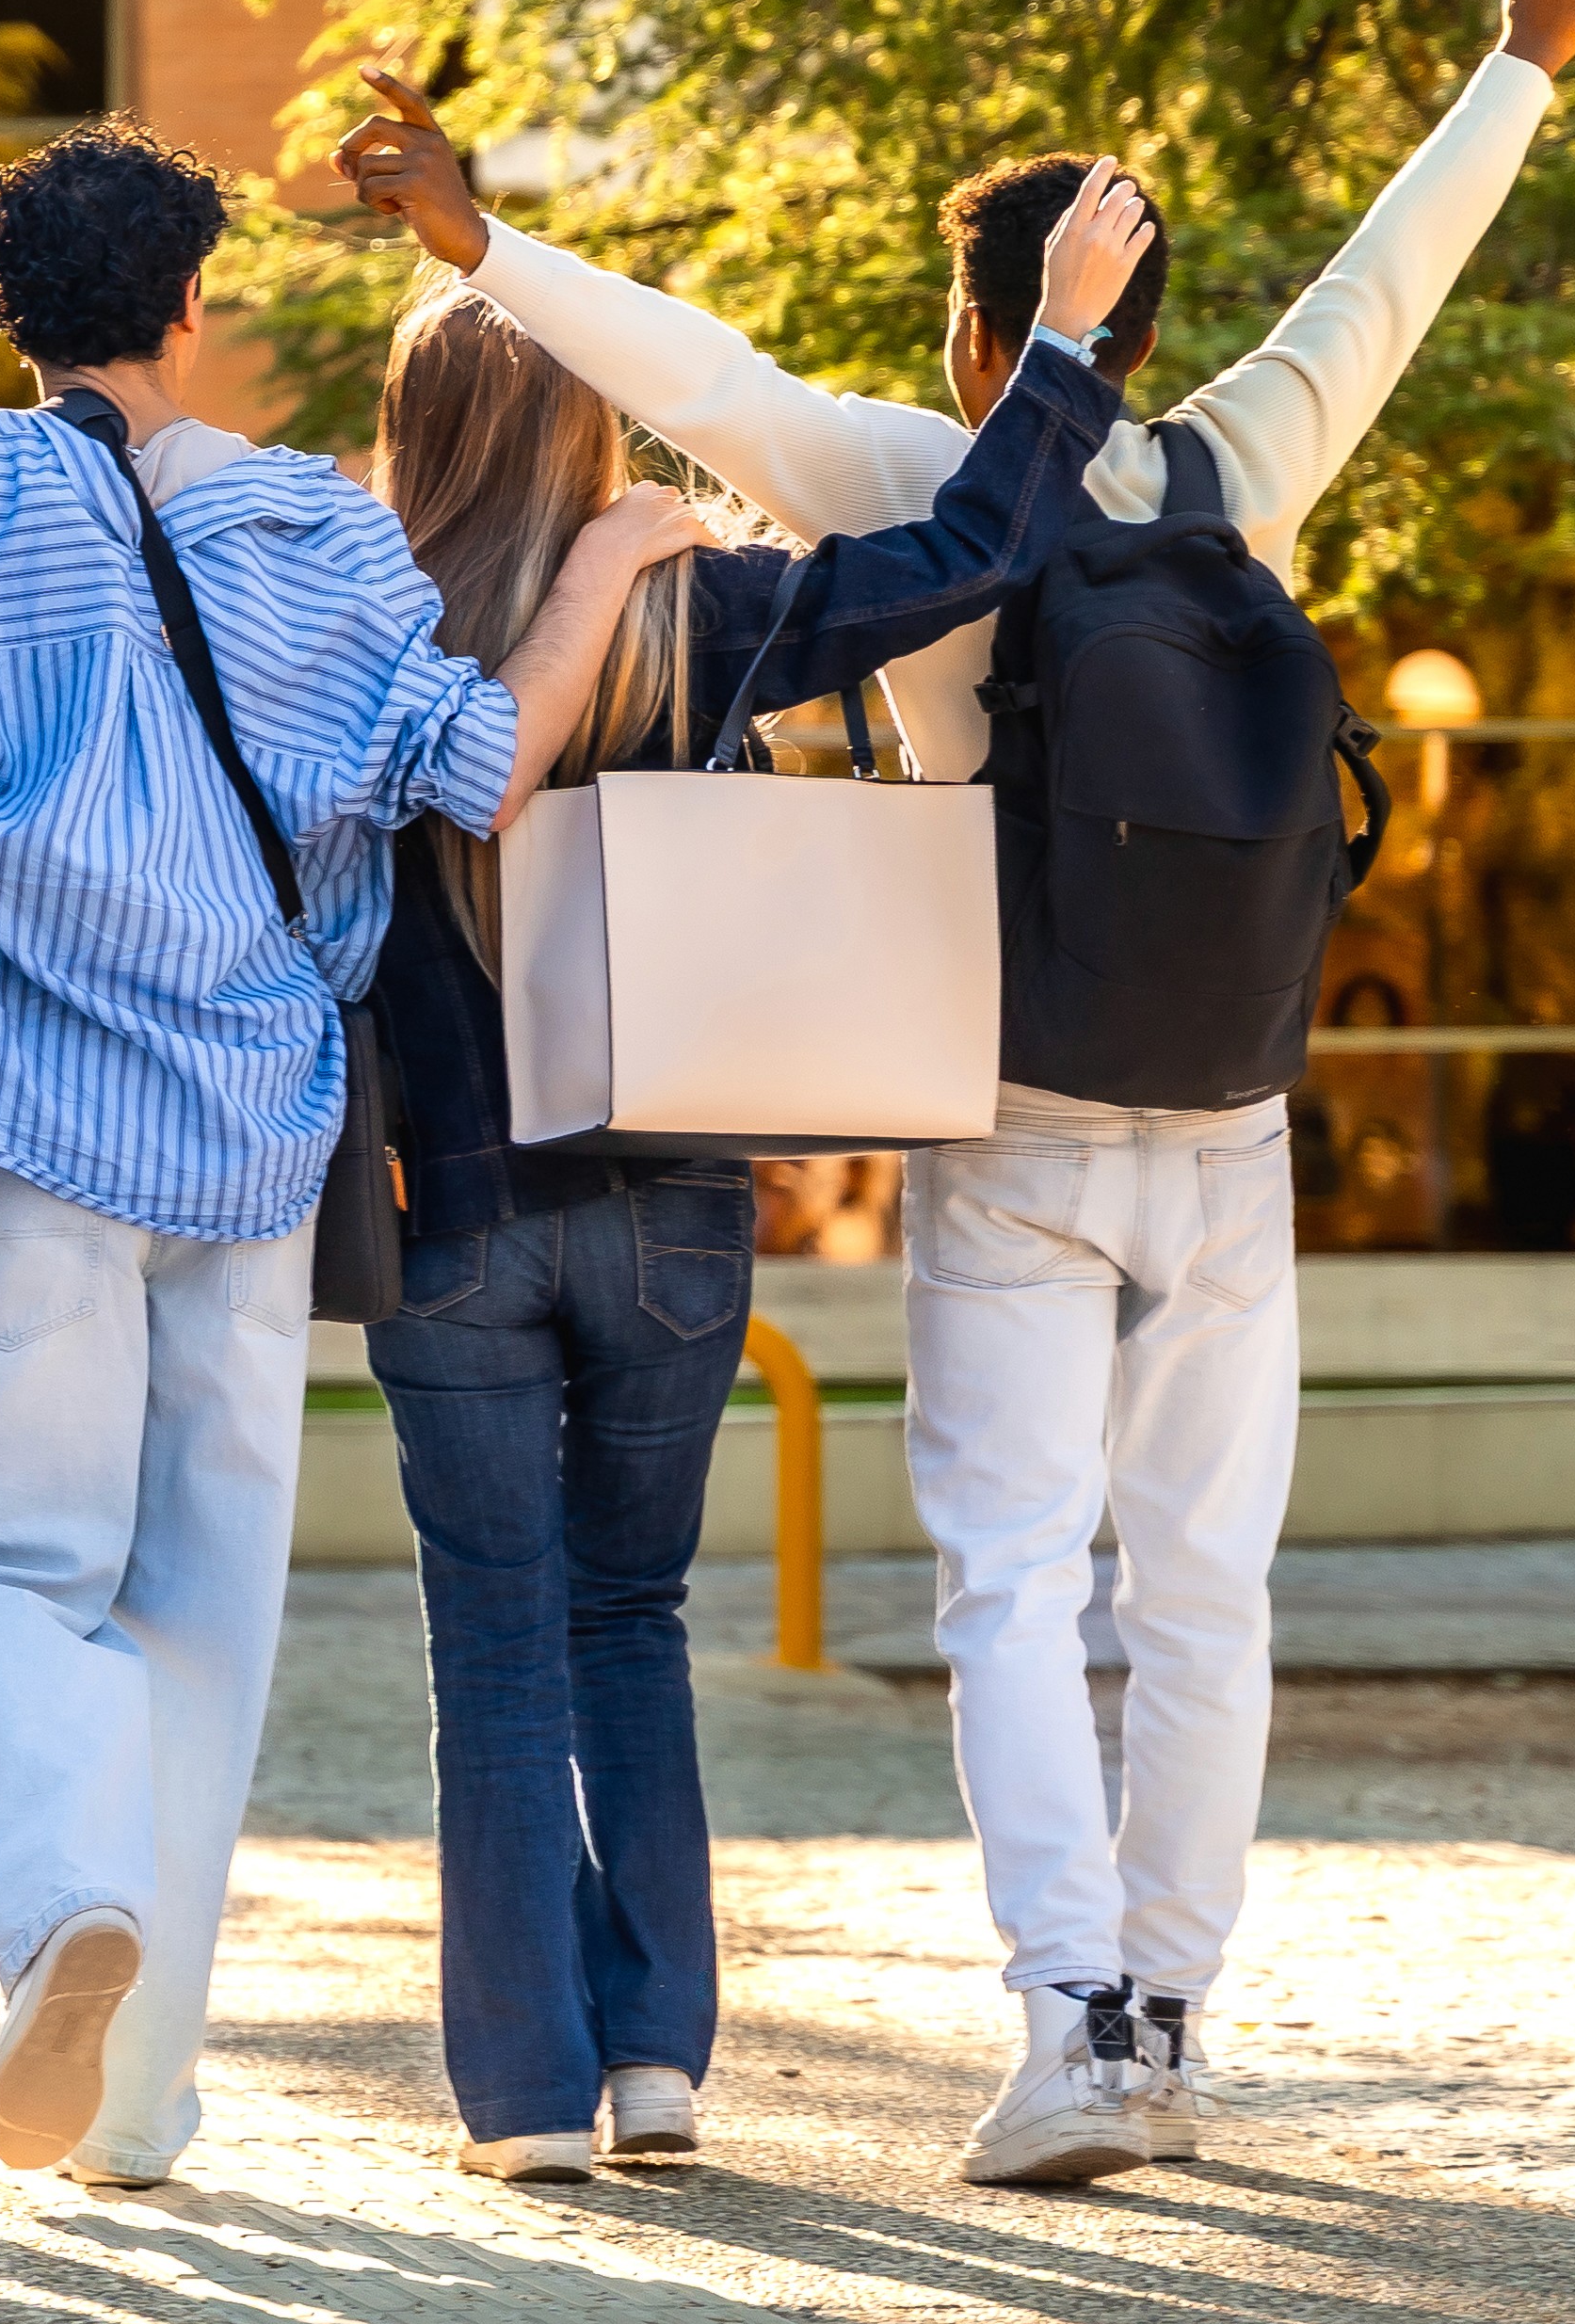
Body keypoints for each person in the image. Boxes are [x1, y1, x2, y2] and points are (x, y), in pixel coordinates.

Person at [340, 0, 1575, 2188]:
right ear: (1154, 321)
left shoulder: (935, 474)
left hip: (1014, 1114)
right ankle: (1187, 2017)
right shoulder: (1253, 462)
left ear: (982, 327)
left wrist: (480, 244)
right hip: (1233, 1115)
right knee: (1207, 1583)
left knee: (1015, 1577)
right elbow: (1392, 281)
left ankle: (1073, 2024)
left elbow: (697, 382)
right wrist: (1517, 59)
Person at [0, 120, 684, 2191]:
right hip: (266, 1134)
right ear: (191, 307)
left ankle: (54, 1907)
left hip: (30, 1126)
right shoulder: (321, 524)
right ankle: (133, 2107)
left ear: (10, 321)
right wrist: (598, 572)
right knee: (204, 1610)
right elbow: (477, 762)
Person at [343, 202, 1142, 2184]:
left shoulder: (360, 616)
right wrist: (1059, 344)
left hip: (451, 1199)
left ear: (418, 430)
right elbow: (981, 548)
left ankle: (525, 2093)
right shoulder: (705, 609)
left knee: (498, 1641)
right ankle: (659, 2065)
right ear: (593, 430)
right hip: (678, 1200)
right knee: (631, 1609)